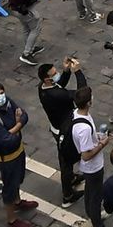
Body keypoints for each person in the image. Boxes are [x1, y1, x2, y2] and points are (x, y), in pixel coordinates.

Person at [0, 82, 38, 227]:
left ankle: (17, 202)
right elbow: (7, 139)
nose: (1, 97)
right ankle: (12, 221)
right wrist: (18, 125)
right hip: (7, 159)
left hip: (18, 153)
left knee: (18, 180)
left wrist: (14, 128)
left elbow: (24, 115)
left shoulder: (8, 102)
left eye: (1, 93)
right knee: (9, 189)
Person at [36, 57, 87, 206]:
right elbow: (81, 94)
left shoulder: (43, 87)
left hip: (57, 126)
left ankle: (71, 178)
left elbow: (60, 85)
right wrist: (77, 72)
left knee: (66, 160)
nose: (56, 74)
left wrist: (66, 72)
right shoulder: (56, 95)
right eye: (54, 74)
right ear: (47, 79)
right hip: (63, 130)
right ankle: (68, 195)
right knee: (66, 162)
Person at [69, 85, 113, 227]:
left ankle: (91, 214)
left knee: (90, 192)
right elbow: (86, 155)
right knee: (96, 197)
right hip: (93, 167)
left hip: (91, 166)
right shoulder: (83, 129)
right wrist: (103, 144)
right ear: (88, 102)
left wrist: (97, 137)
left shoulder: (79, 115)